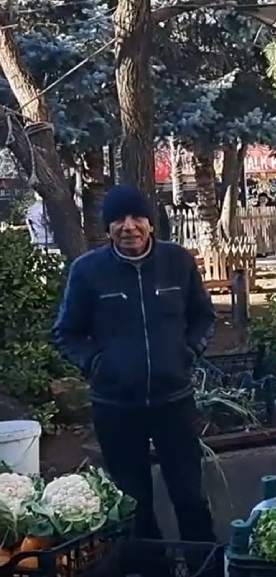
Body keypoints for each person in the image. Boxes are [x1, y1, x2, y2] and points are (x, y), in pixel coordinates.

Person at [51, 185, 217, 546]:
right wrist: (95, 364)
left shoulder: (178, 262)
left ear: (150, 223)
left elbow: (203, 317)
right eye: (118, 220)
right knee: (133, 502)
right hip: (116, 408)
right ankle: (151, 568)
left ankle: (205, 565)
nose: (128, 227)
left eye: (136, 217)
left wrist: (188, 352)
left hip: (174, 401)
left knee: (189, 495)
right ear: (107, 228)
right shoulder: (88, 271)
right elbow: (67, 332)